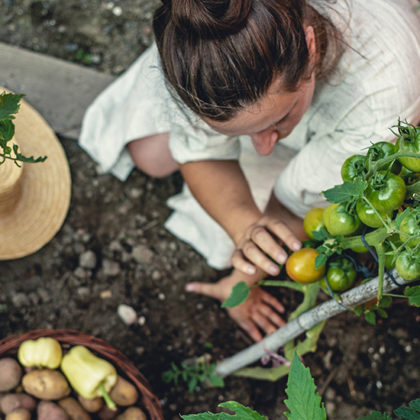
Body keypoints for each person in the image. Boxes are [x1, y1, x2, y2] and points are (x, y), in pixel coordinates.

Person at [79, 0, 420, 341]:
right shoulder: (202, 53)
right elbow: (204, 158)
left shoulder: (381, 97)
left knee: (242, 221)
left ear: (311, 48)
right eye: (243, 132)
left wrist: (242, 277)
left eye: (278, 120)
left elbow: (290, 207)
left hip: (360, 114)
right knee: (149, 156)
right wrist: (244, 227)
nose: (263, 147)